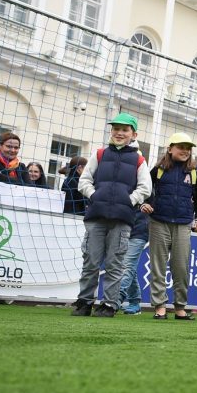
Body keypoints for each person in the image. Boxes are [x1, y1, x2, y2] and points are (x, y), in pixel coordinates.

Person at [71, 113, 151, 318]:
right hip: (96, 217)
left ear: (134, 134)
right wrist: (94, 195)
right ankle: (84, 302)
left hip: (122, 220)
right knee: (90, 261)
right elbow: (84, 181)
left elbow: (145, 188)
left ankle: (109, 304)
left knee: (115, 264)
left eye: (124, 130)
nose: (119, 133)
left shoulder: (139, 160)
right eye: (116, 128)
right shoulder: (99, 154)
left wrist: (128, 200)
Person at [144, 133, 197, 320]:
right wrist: (145, 203)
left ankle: (180, 307)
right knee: (158, 266)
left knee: (181, 267)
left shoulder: (194, 173)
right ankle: (160, 306)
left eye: (188, 148)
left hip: (183, 224)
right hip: (158, 222)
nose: (185, 151)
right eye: (181, 147)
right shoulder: (158, 170)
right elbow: (145, 189)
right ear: (170, 149)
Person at [119, 200, 148, 314]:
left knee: (128, 266)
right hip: (121, 228)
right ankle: (134, 302)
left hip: (139, 230)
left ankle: (115, 300)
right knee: (130, 268)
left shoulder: (147, 184)